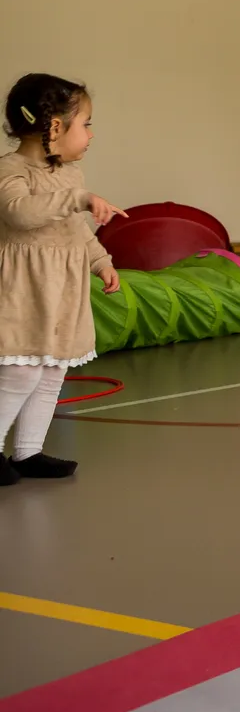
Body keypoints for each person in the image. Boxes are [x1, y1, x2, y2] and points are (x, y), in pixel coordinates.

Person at [0, 73, 126, 485]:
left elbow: (76, 229)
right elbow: (19, 213)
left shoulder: (71, 176)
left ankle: (28, 452)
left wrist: (101, 261)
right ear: (55, 126)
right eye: (85, 123)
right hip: (24, 290)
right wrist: (79, 199)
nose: (90, 134)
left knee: (52, 370)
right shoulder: (11, 170)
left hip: (63, 290)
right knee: (20, 371)